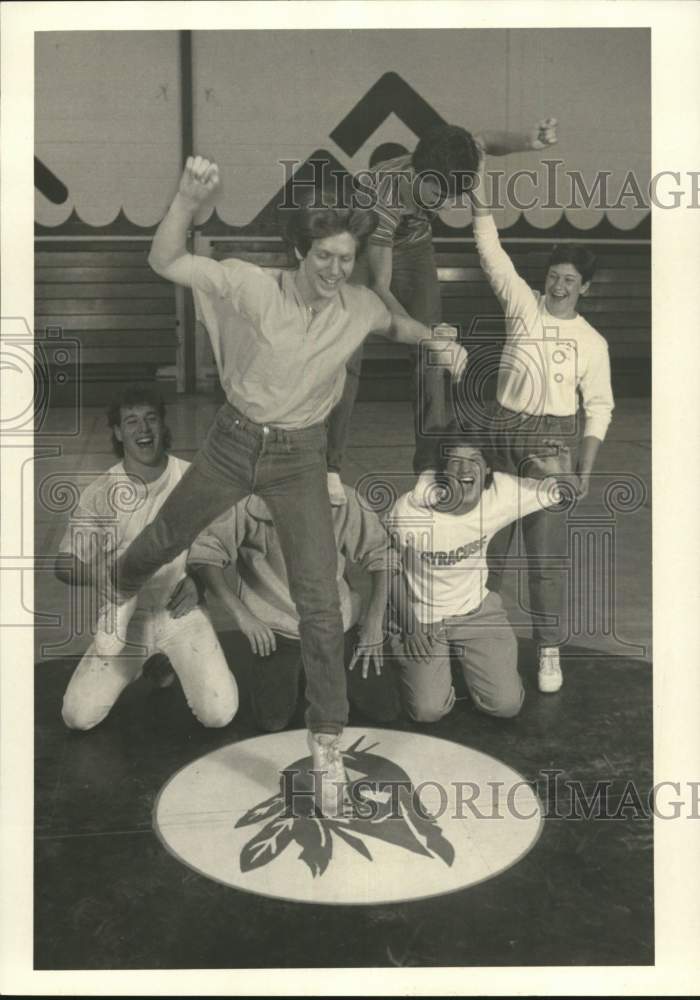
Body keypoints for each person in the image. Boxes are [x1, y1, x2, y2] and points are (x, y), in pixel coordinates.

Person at [92, 155, 466, 817]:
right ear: (300, 251)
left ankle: (327, 753)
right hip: (235, 441)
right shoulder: (250, 285)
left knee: (320, 603)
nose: (334, 271)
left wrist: (436, 342)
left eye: (345, 259)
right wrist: (184, 197)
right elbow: (165, 259)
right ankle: (120, 593)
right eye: (323, 257)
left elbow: (397, 326)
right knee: (164, 537)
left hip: (300, 457)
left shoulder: (356, 304)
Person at [324, 117, 560, 505]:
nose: (448, 204)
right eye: (440, 195)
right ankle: (330, 466)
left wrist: (528, 142)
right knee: (349, 354)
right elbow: (379, 288)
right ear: (418, 175)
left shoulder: (448, 158)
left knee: (430, 363)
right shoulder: (382, 197)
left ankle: (429, 468)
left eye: (454, 195)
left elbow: (482, 137)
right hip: (367, 251)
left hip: (414, 246)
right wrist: (429, 337)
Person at [468, 146, 615, 693]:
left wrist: (584, 470)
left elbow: (599, 408)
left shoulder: (591, 343)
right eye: (554, 275)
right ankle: (479, 640)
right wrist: (478, 180)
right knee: (487, 550)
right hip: (498, 433)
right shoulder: (522, 305)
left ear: (585, 288)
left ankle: (549, 652)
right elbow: (489, 247)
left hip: (552, 445)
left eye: (570, 280)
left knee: (545, 560)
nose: (558, 285)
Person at [55, 386, 238, 731]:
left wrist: (199, 582)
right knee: (77, 717)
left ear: (162, 424)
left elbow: (223, 545)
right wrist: (96, 576)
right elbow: (63, 564)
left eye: (151, 418)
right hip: (127, 616)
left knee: (219, 714)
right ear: (118, 432)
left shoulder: (192, 479)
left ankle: (166, 660)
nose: (143, 429)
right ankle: (144, 661)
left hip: (181, 611)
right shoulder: (101, 491)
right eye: (132, 421)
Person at [187, 485, 400, 732]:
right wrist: (242, 615)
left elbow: (382, 553)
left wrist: (374, 621)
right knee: (272, 721)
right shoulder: (244, 501)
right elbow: (206, 555)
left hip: (337, 625)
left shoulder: (343, 497)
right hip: (278, 633)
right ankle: (303, 671)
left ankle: (318, 670)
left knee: (385, 710)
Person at [386, 439, 567, 723]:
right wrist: (410, 625)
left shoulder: (500, 494)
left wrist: (560, 472)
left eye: (474, 459)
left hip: (476, 611)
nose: (464, 467)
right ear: (441, 470)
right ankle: (413, 649)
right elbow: (387, 567)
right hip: (422, 616)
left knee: (505, 706)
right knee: (428, 711)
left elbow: (564, 493)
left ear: (487, 470)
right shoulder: (411, 511)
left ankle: (467, 653)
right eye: (454, 459)